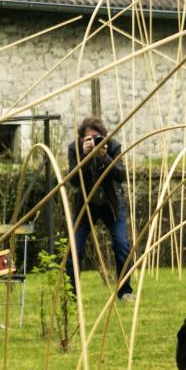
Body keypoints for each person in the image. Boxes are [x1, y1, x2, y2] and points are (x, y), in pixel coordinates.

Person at [66, 116, 134, 300]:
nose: (94, 142)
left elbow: (121, 175)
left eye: (97, 138)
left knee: (122, 245)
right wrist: (85, 156)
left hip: (112, 205)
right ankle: (70, 295)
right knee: (74, 247)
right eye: (89, 139)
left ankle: (125, 291)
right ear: (82, 139)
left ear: (103, 136)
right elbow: (73, 181)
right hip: (86, 205)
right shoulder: (74, 149)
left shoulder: (112, 146)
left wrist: (105, 157)